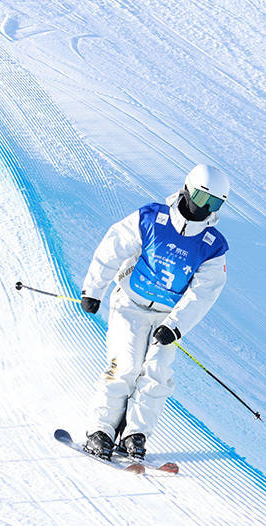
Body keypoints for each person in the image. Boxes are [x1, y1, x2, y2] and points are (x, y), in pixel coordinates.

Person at [78, 164, 230, 460]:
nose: (204, 209)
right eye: (202, 198)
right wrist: (93, 290)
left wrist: (175, 325)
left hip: (166, 318)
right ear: (187, 189)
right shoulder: (151, 218)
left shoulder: (212, 245)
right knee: (125, 365)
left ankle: (135, 434)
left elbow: (204, 292)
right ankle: (101, 430)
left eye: (214, 204)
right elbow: (113, 247)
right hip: (130, 304)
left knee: (157, 373)